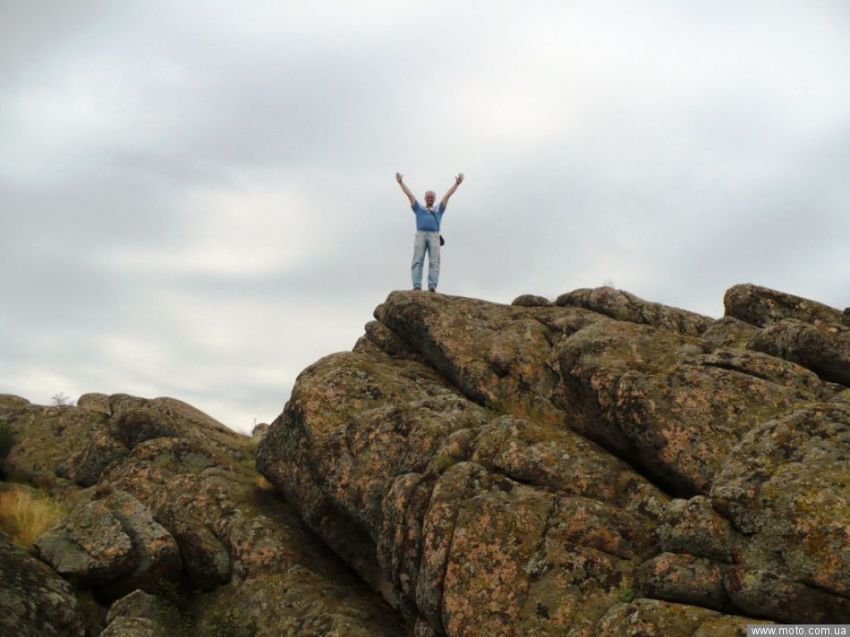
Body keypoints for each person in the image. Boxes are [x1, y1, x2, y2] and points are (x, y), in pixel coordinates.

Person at [395, 172, 464, 292]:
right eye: (428, 196)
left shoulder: (439, 209)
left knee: (434, 261)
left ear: (434, 199)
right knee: (417, 260)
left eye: (432, 197)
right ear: (425, 198)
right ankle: (417, 285)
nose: (430, 198)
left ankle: (432, 286)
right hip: (421, 234)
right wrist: (401, 183)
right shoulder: (419, 208)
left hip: (434, 236)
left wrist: (456, 184)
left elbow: (448, 195)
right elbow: (409, 195)